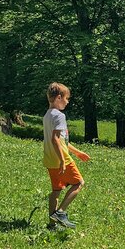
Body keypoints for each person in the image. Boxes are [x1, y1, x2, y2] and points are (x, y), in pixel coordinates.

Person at [43, 82, 90, 229]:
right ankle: (61, 213)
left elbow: (62, 141)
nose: (67, 101)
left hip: (50, 159)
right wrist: (63, 161)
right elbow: (55, 139)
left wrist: (77, 152)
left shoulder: (47, 115)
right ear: (58, 98)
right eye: (66, 98)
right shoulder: (59, 116)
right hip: (61, 160)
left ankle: (52, 224)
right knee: (78, 183)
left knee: (56, 191)